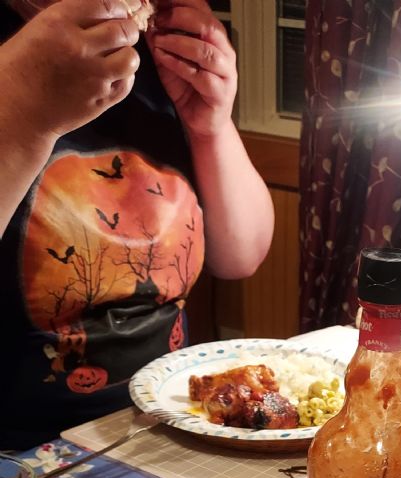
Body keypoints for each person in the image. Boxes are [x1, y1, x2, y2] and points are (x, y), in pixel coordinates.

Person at [0, 0, 274, 449]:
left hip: (170, 427)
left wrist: (211, 126)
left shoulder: (156, 54)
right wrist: (21, 108)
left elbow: (241, 256)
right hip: (21, 455)